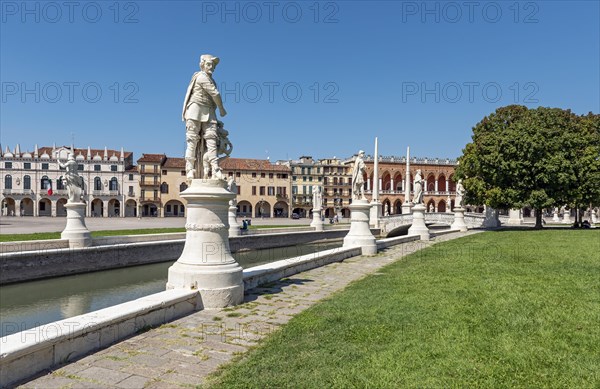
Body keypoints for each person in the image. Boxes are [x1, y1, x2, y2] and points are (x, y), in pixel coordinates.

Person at [182, 54, 228, 180]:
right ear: (202, 64)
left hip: (209, 112)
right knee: (192, 141)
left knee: (212, 140)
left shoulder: (212, 80)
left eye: (213, 65)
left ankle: (215, 169)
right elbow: (215, 94)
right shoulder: (201, 77)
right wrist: (222, 109)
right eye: (209, 64)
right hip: (195, 110)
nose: (211, 67)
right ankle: (190, 169)